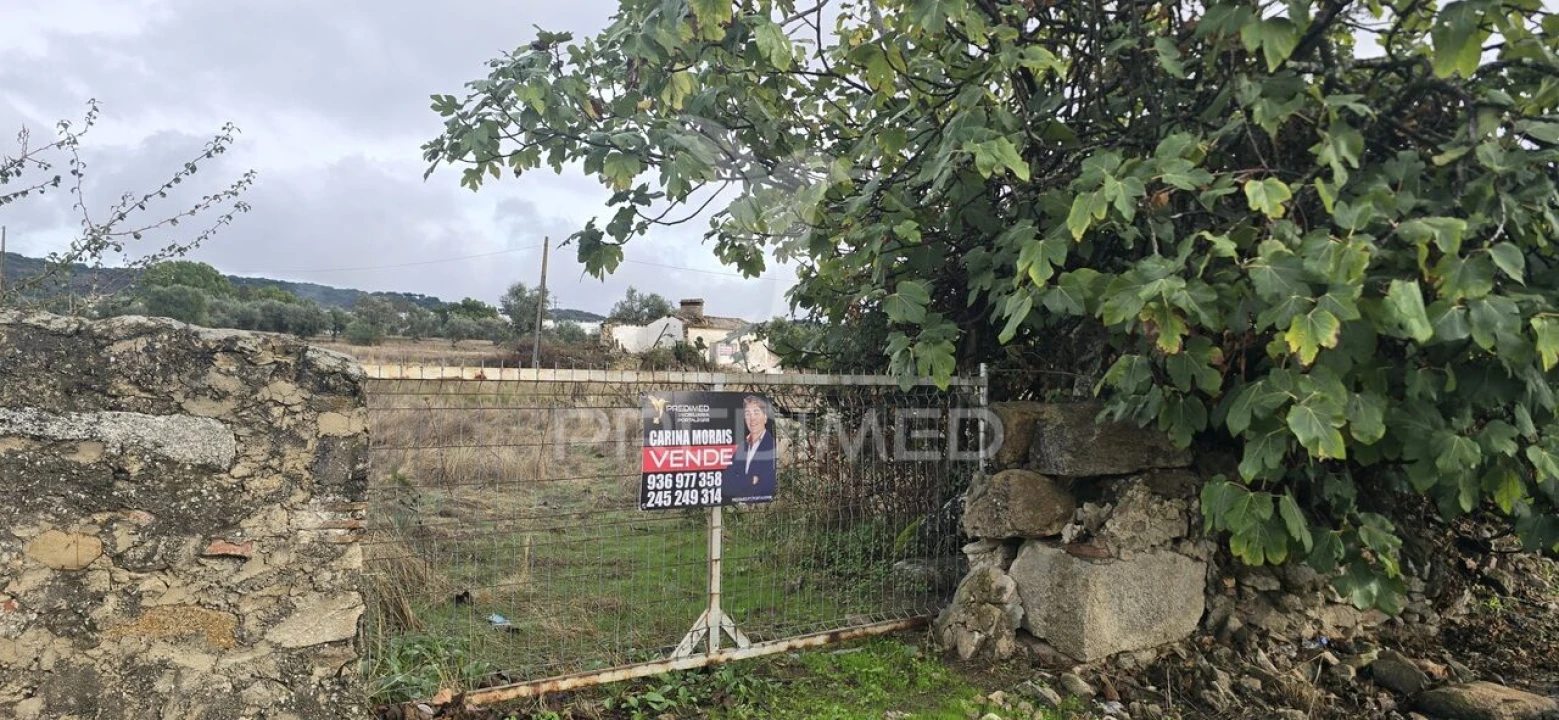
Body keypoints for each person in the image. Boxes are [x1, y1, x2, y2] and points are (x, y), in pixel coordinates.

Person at [722, 395, 776, 504]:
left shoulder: (770, 445)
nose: (752, 418)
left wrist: (738, 480)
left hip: (760, 509)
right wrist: (751, 479)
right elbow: (725, 484)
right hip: (741, 507)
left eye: (756, 413)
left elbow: (765, 488)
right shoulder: (743, 446)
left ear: (765, 417)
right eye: (748, 414)